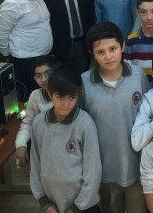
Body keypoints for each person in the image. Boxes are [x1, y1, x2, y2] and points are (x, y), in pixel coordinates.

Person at [80, 21, 150, 213]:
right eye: (100, 52)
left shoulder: (137, 75)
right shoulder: (84, 83)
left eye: (112, 49)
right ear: (92, 54)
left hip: (137, 165)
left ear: (122, 46)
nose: (108, 56)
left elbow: (148, 117)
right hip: (104, 168)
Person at [30, 63, 102, 213]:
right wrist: (44, 202)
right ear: (50, 94)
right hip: (51, 204)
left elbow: (93, 171)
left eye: (72, 97)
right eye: (60, 97)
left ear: (78, 95)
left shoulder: (85, 124)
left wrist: (76, 207)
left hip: (83, 206)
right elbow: (35, 164)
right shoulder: (38, 123)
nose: (66, 103)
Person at [0, 0, 52, 101]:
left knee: (46, 99)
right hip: (25, 64)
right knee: (31, 102)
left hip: (44, 59)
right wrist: (10, 54)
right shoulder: (13, 3)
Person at [42, 0, 92, 74]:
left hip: (82, 45)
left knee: (82, 78)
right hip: (61, 48)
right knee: (64, 79)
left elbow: (90, 18)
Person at [15, 55, 56, 166]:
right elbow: (28, 123)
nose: (44, 79)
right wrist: (21, 144)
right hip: (45, 146)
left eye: (48, 74)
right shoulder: (36, 95)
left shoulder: (68, 93)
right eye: (38, 76)